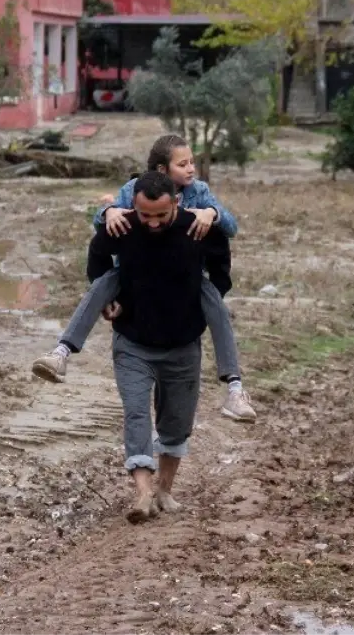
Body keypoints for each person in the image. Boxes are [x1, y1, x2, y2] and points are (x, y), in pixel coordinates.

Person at [31, 134, 257, 423]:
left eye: (192, 162)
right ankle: (60, 353)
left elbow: (231, 227)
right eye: (183, 163)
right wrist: (109, 210)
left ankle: (235, 390)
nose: (191, 169)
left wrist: (211, 213)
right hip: (136, 274)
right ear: (162, 170)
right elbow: (103, 228)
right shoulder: (132, 190)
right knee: (103, 283)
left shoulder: (199, 192)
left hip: (183, 278)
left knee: (216, 304)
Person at [87, 170, 232, 522]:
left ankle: (164, 490)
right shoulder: (121, 226)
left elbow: (222, 266)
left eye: (160, 215)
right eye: (144, 214)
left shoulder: (196, 229)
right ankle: (142, 494)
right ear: (133, 205)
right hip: (132, 341)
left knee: (176, 421)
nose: (151, 223)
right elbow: (98, 260)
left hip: (183, 343)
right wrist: (109, 299)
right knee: (136, 414)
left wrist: (206, 300)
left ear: (176, 204)